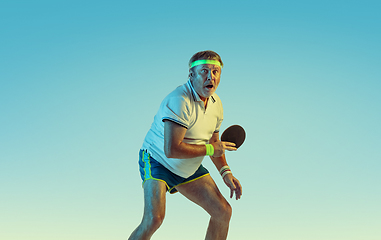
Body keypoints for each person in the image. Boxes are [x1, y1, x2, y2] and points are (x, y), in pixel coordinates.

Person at [128, 50, 242, 240]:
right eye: (204, 71)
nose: (210, 76)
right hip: (158, 161)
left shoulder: (216, 104)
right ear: (192, 74)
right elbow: (172, 149)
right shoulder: (179, 101)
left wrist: (226, 172)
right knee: (154, 219)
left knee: (223, 212)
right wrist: (212, 149)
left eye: (215, 72)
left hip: (188, 167)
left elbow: (214, 143)